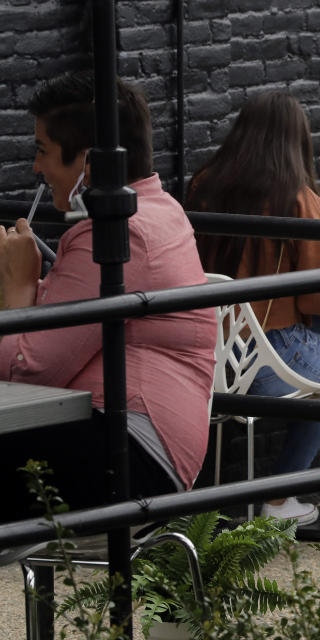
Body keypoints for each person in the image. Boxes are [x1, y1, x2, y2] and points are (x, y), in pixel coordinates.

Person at [0, 72, 216, 519]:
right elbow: (62, 333)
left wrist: (17, 289)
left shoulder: (118, 234)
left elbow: (28, 371)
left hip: (129, 454)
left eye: (43, 151)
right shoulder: (155, 209)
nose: (36, 168)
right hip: (123, 440)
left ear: (91, 164)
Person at [189, 91, 320, 526]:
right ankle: (285, 498)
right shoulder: (296, 198)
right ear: (295, 141)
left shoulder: (203, 185)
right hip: (263, 362)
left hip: (208, 350)